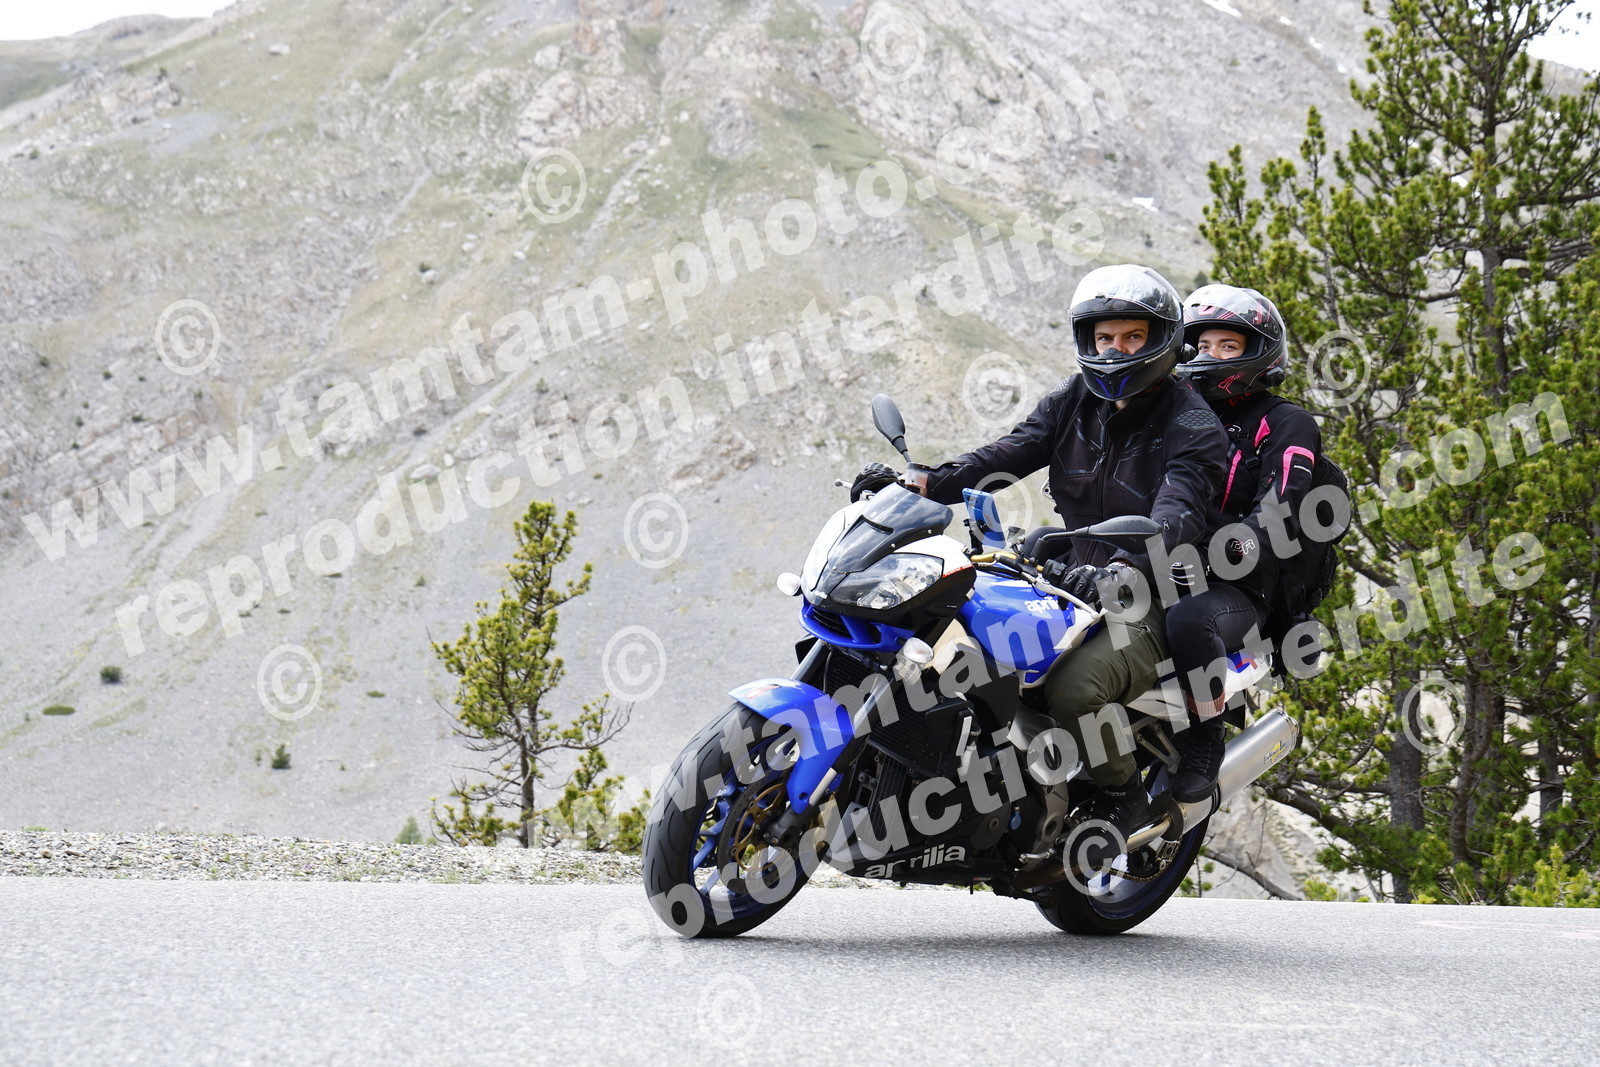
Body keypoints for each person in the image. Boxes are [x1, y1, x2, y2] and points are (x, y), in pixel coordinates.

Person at [851, 264, 1229, 840]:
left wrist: (1123, 569)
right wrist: (922, 484)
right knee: (954, 630)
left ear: (1163, 339)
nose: (1115, 350)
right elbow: (1006, 454)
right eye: (1104, 337)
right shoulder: (1075, 400)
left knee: (1074, 690)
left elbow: (1176, 513)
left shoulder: (1192, 423)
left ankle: (1121, 792)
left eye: (1132, 337)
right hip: (1071, 575)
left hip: (1151, 592)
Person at [1162, 284, 1322, 803]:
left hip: (1239, 586)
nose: (1210, 356)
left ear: (1258, 352)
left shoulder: (1286, 422)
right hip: (1156, 563)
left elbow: (1282, 506)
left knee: (1189, 621)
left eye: (1227, 346)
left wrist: (1233, 547)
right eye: (1202, 345)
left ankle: (1204, 737)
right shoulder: (1174, 412)